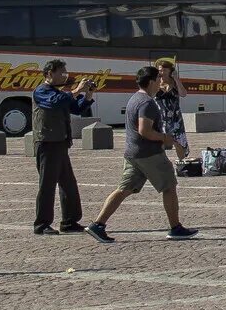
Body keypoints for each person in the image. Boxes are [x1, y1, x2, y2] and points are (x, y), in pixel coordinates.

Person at [85, 66, 198, 243]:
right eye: (159, 79)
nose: (161, 82)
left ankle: (97, 225)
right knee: (168, 186)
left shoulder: (134, 99)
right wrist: (165, 138)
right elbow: (144, 130)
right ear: (152, 82)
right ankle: (176, 228)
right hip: (148, 154)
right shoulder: (147, 103)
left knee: (124, 189)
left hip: (132, 153)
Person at [31, 59, 95, 235]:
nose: (65, 76)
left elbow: (76, 108)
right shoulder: (41, 91)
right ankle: (41, 224)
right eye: (61, 73)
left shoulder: (61, 92)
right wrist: (76, 91)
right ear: (49, 74)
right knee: (47, 184)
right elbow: (54, 103)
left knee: (68, 184)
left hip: (60, 143)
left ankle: (69, 221)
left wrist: (88, 95)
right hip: (47, 144)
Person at [152, 58, 190, 168]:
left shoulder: (175, 83)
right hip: (160, 117)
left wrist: (176, 79)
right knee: (160, 141)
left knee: (178, 141)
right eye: (160, 70)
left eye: (164, 70)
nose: (161, 73)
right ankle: (159, 165)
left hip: (175, 117)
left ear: (170, 71)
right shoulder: (156, 83)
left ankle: (182, 163)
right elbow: (150, 95)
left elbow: (183, 94)